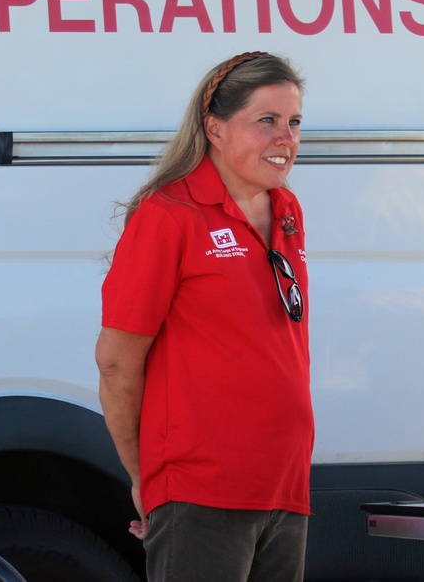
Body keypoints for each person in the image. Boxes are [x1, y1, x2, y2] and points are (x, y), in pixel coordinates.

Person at [95, 51, 313, 582]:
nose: (285, 138)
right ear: (214, 128)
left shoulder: (286, 209)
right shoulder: (169, 215)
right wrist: (144, 476)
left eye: (294, 122)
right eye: (266, 121)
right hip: (201, 491)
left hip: (285, 488)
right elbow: (117, 365)